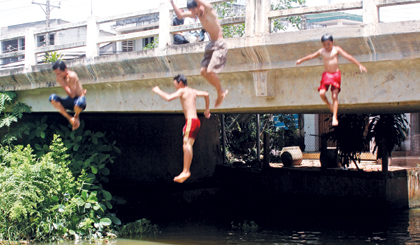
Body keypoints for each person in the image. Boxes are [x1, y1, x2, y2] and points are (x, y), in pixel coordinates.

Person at [296, 33, 367, 126]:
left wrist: (359, 65)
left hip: (335, 75)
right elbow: (312, 56)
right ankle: (329, 104)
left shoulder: (336, 50)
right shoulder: (322, 51)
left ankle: (334, 117)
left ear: (332, 42)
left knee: (334, 96)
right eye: (324, 45)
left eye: (328, 44)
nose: (327, 46)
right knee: (321, 94)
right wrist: (301, 60)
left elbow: (348, 56)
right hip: (326, 75)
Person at [152, 74, 211, 183]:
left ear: (180, 83)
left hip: (191, 121)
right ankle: (186, 170)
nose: (175, 87)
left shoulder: (182, 91)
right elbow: (206, 94)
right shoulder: (192, 91)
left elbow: (169, 98)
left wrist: (158, 90)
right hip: (195, 121)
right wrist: (207, 110)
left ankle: (186, 171)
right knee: (187, 145)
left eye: (175, 84)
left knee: (186, 144)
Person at [169, 0, 228, 108]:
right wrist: (172, 2)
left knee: (210, 71)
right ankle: (221, 91)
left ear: (199, 5)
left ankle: (221, 92)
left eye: (194, 12)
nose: (194, 15)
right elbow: (180, 15)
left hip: (219, 44)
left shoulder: (209, 9)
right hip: (211, 45)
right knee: (203, 71)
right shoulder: (195, 13)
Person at [49, 61, 87, 130]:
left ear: (65, 69)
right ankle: (70, 118)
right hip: (70, 101)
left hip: (79, 101)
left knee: (79, 103)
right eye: (56, 74)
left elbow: (72, 95)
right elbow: (70, 97)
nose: (58, 76)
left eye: (59, 73)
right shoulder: (62, 77)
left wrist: (63, 83)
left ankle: (76, 117)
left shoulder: (71, 76)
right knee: (52, 98)